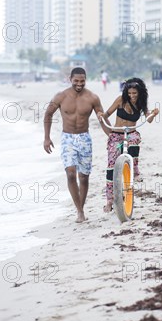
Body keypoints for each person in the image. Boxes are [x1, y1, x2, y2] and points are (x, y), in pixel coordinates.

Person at [43, 67, 105, 223]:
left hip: (84, 138)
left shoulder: (93, 98)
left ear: (86, 80)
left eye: (82, 81)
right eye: (76, 80)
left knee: (83, 177)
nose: (79, 84)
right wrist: (47, 138)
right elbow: (48, 114)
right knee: (70, 174)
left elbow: (102, 119)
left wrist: (112, 136)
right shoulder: (61, 96)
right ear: (70, 79)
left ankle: (81, 208)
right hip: (67, 138)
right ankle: (79, 212)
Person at [97, 78, 159, 213]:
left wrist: (153, 114)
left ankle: (135, 170)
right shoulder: (120, 100)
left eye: (135, 93)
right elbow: (107, 114)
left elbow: (148, 119)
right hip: (116, 134)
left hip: (131, 132)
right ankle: (109, 200)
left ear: (140, 93)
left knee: (135, 140)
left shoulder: (141, 103)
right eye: (130, 93)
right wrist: (101, 115)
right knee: (111, 166)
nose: (132, 96)